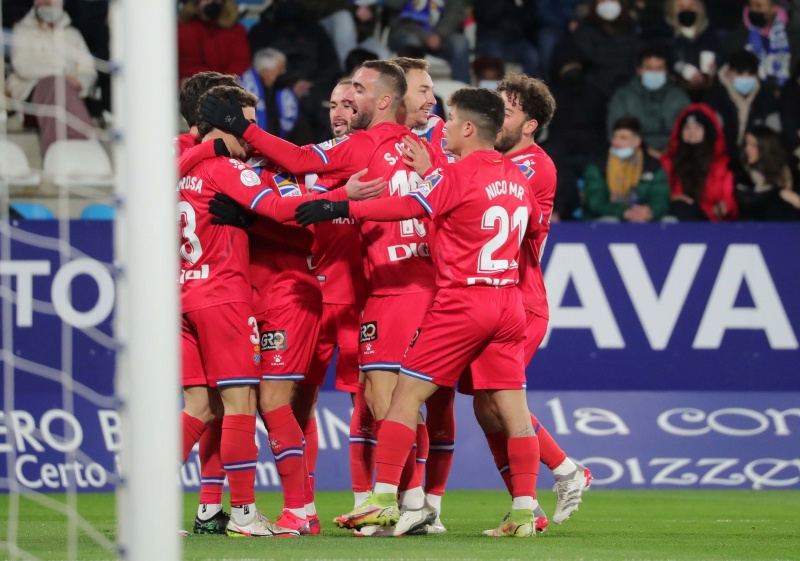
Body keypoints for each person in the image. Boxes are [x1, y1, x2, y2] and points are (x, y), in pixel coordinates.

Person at [197, 60, 445, 535]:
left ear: (382, 101)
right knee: (349, 401)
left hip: (365, 295)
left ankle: (391, 501)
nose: (346, 105)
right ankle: (375, 502)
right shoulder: (415, 152)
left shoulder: (364, 148)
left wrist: (244, 130)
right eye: (336, 101)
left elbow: (301, 164)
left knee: (380, 399)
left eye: (356, 95)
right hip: (368, 291)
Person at [295, 87, 544, 538]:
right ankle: (525, 511)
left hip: (463, 301)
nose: (442, 129)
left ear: (468, 128)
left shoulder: (457, 174)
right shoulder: (517, 176)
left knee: (405, 398)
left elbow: (407, 205)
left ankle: (382, 500)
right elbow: (534, 231)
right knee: (516, 412)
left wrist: (341, 205)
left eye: (450, 120)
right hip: (508, 302)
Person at [179, 85, 293, 538]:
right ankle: (244, 514)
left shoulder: (179, 168)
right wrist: (346, 198)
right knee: (240, 402)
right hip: (222, 297)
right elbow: (280, 209)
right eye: (247, 124)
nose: (253, 134)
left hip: (181, 296)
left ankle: (147, 507)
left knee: (198, 407)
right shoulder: (226, 168)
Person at [7, 0, 97, 155]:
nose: (47, 3)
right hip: (32, 95)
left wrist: (80, 83)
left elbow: (88, 70)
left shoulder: (73, 35)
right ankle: (60, 152)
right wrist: (61, 76)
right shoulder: (22, 31)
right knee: (56, 85)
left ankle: (82, 151)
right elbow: (23, 66)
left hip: (71, 94)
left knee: (63, 91)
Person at [607, 44, 691, 158]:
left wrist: (670, 152)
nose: (655, 73)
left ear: (666, 71)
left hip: (674, 157)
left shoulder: (679, 97)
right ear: (639, 70)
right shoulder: (623, 97)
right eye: (650, 68)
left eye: (659, 68)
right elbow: (615, 133)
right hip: (632, 157)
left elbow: (689, 130)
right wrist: (645, 152)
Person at [661, 103, 739, 221]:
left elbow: (730, 200)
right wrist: (671, 199)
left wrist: (724, 207)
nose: (691, 132)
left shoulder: (722, 165)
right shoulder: (668, 162)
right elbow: (656, 194)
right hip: (676, 216)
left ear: (707, 132)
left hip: (710, 222)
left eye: (697, 128)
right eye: (687, 128)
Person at [584, 116, 671, 221]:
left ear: (637, 141)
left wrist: (650, 211)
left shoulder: (652, 166)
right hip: (611, 217)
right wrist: (624, 212)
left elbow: (660, 197)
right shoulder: (598, 165)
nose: (616, 142)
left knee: (669, 221)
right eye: (614, 137)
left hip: (644, 217)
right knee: (610, 221)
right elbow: (596, 202)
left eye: (623, 138)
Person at [704, 49, 781, 166]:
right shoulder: (714, 97)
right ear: (729, 72)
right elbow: (709, 133)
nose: (745, 79)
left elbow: (773, 135)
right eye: (740, 74)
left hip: (757, 160)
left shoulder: (766, 98)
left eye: (750, 75)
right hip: (721, 159)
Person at [384, 0, 471, 84]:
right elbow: (393, 5)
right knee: (412, 44)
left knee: (460, 43)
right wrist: (425, 36)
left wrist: (440, 34)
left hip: (441, 36)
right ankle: (410, 87)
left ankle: (462, 90)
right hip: (407, 32)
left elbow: (455, 14)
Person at [240, 48, 315, 146]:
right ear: (265, 72)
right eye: (280, 69)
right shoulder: (246, 89)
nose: (284, 72)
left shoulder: (276, 90)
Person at [571, 0, 642, 100]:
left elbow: (634, 59)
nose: (608, 3)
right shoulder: (585, 28)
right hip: (593, 88)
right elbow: (583, 59)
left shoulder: (630, 27)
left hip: (625, 86)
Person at [724, 0, 800, 89]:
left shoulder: (792, 37)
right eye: (750, 5)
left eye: (758, 6)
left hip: (783, 92)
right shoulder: (739, 36)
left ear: (773, 8)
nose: (753, 10)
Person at [734, 125, 800, 220]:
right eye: (746, 144)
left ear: (766, 148)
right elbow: (747, 202)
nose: (747, 149)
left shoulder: (788, 173)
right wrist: (778, 193)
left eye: (753, 145)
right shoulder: (741, 173)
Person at [664, 0, 724, 102]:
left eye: (691, 5)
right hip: (676, 96)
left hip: (708, 95)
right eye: (681, 6)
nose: (686, 10)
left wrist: (713, 67)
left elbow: (721, 58)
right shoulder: (665, 35)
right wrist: (682, 69)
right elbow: (663, 61)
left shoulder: (711, 37)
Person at [177, 0, 251, 82]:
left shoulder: (237, 30)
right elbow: (188, 66)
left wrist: (225, 82)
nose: (212, 1)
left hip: (228, 84)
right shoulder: (184, 30)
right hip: (197, 84)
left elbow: (240, 62)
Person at [473, 0, 540, 79]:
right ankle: (494, 86)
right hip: (490, 38)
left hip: (514, 41)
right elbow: (487, 16)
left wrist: (523, 5)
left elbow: (529, 21)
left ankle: (527, 86)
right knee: (495, 56)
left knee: (532, 55)